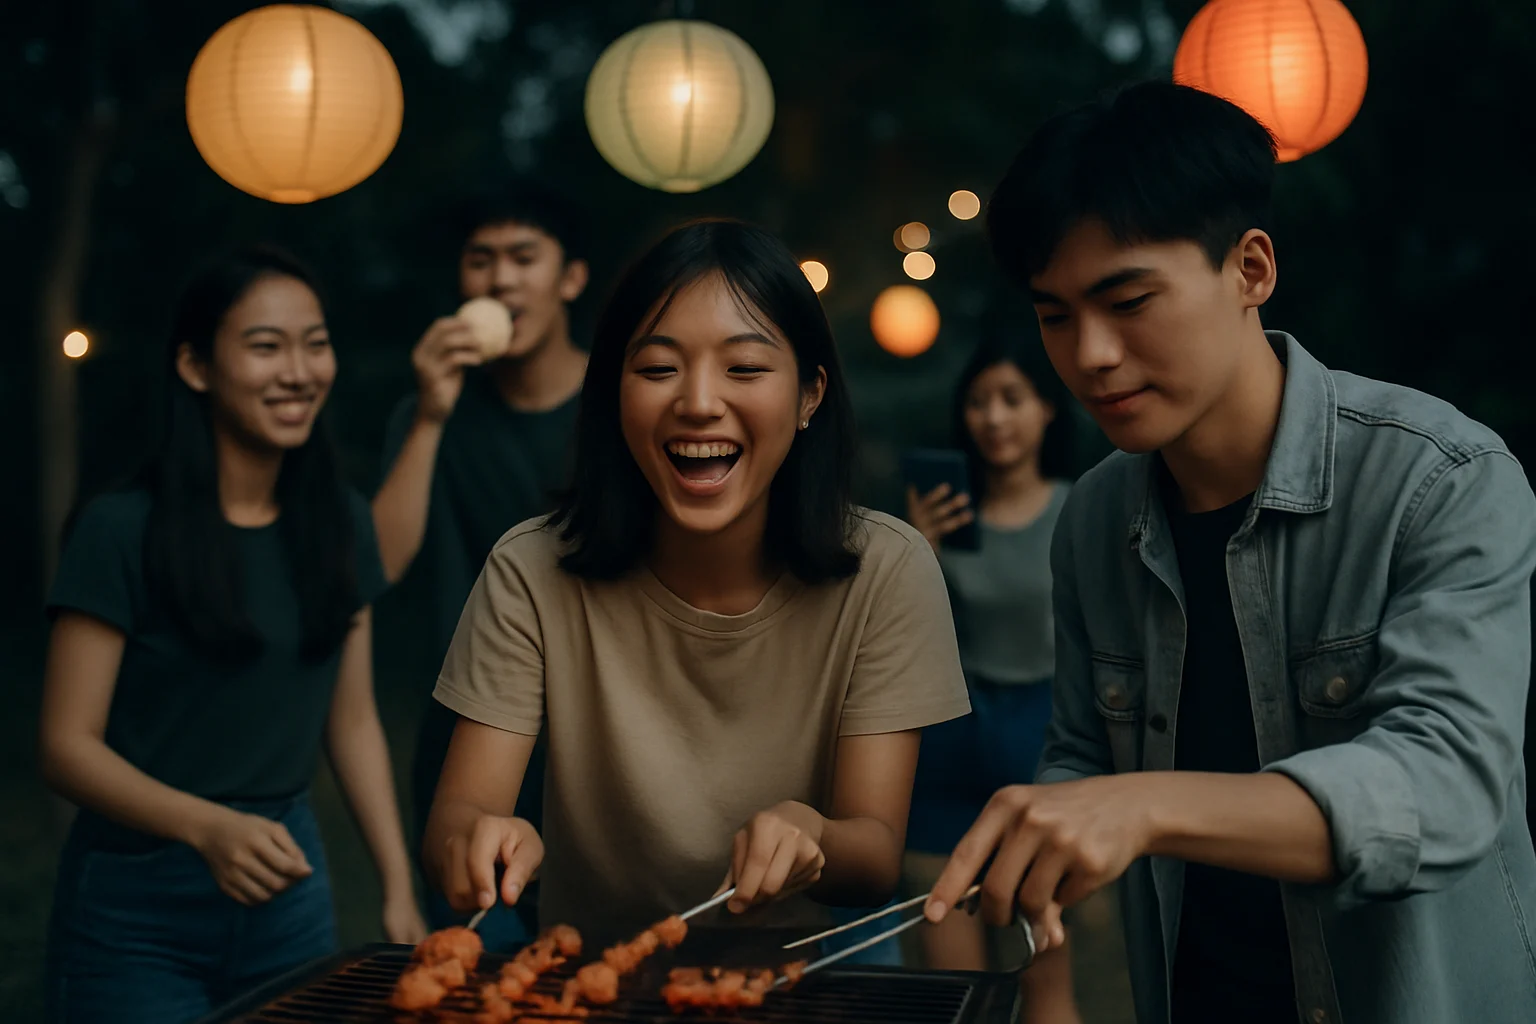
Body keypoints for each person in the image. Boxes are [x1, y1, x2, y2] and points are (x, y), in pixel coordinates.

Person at [923, 80, 1536, 1024]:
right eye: (1055, 316)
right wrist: (1046, 833)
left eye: (1128, 300)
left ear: (1251, 268)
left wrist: (1144, 807)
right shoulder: (1094, 518)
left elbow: (1447, 785)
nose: (1090, 354)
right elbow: (1082, 752)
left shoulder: (1440, 477)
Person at [420, 219, 972, 944]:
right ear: (614, 393)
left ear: (809, 396)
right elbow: (456, 819)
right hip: (594, 973)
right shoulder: (530, 569)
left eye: (744, 368)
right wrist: (475, 839)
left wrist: (815, 836)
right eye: (658, 369)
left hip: (813, 970)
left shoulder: (888, 568)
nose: (699, 402)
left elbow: (873, 859)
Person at [39, 247, 426, 1024]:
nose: (299, 372)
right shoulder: (121, 529)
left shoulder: (339, 524)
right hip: (136, 905)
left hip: (289, 885)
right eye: (265, 346)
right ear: (195, 366)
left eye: (315, 344)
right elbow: (65, 745)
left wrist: (396, 884)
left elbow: (351, 720)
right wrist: (203, 826)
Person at [372, 181, 590, 945]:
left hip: (597, 752)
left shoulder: (624, 405)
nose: (500, 280)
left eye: (524, 258)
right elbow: (378, 564)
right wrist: (431, 413)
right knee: (478, 977)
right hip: (465, 751)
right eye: (480, 260)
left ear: (570, 278)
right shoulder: (428, 412)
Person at [902, 323, 1074, 973]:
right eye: (978, 402)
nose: (993, 418)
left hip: (1039, 734)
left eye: (1011, 398)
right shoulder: (944, 515)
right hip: (950, 735)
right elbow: (902, 639)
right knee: (953, 982)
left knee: (1042, 976)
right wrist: (918, 550)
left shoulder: (1077, 509)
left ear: (1046, 407)